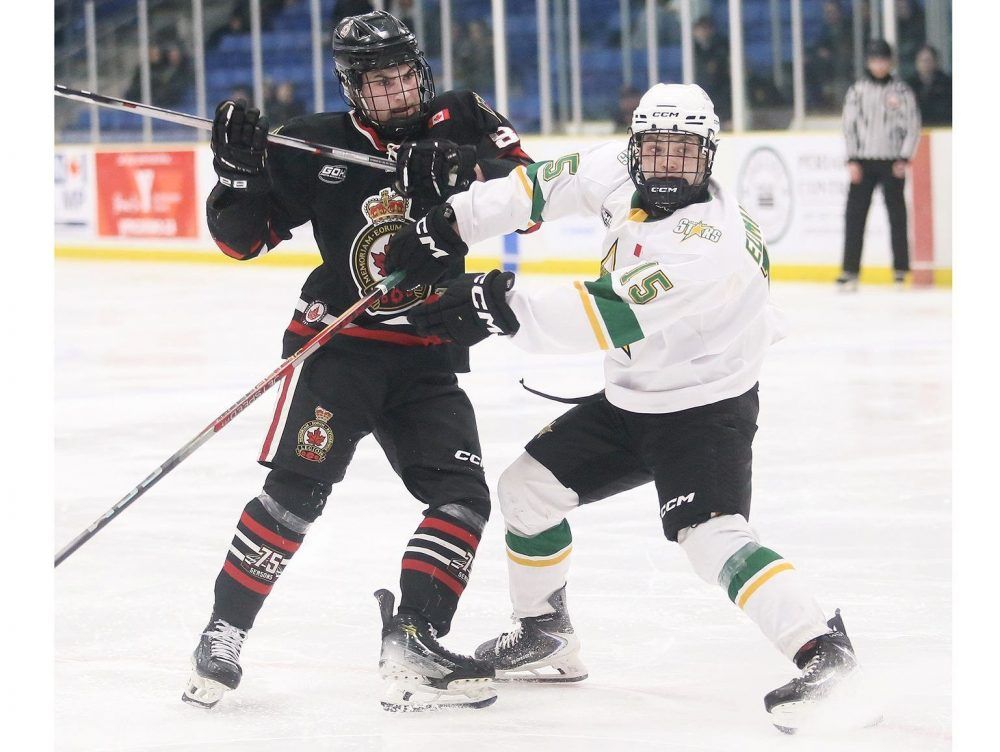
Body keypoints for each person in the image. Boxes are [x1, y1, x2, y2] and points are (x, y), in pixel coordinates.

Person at [385, 83, 877, 734]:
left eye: (685, 154)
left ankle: (823, 650)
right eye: (656, 150)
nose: (668, 166)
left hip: (704, 405)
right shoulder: (617, 167)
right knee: (527, 493)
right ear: (636, 147)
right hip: (634, 393)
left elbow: (598, 316)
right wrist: (452, 220)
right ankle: (545, 634)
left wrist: (492, 308)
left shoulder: (705, 243)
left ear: (708, 156)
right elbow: (534, 189)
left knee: (711, 541)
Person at [181, 10, 532, 713]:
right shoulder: (315, 143)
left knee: (463, 499)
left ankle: (418, 638)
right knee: (295, 496)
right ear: (352, 87)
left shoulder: (460, 116)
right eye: (379, 82)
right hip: (341, 347)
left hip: (429, 349)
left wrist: (467, 170)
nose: (398, 92)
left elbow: (531, 199)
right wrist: (238, 177)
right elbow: (240, 243)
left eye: (405, 75)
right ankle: (222, 634)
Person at [838, 39, 920, 290]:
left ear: (890, 61)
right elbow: (848, 125)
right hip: (863, 161)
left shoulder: (902, 91)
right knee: (855, 217)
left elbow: (913, 125)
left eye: (883, 60)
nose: (879, 65)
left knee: (897, 216)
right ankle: (850, 270)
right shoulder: (857, 90)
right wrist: (852, 158)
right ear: (868, 62)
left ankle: (900, 270)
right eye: (875, 60)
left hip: (892, 161)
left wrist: (904, 157)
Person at [907, 45, 951, 127]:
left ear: (935, 62)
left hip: (942, 129)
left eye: (928, 60)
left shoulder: (947, 84)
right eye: (922, 60)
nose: (925, 64)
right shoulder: (909, 85)